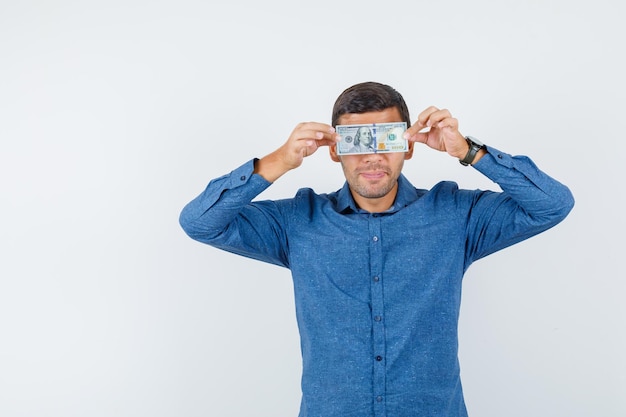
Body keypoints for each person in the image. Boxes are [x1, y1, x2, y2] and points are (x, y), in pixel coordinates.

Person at [179, 81, 574, 417]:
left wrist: (467, 151)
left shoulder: (456, 215)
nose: (372, 156)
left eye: (386, 139)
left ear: (408, 146)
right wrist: (278, 161)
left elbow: (552, 204)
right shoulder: (297, 222)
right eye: (355, 141)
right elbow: (199, 222)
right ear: (335, 149)